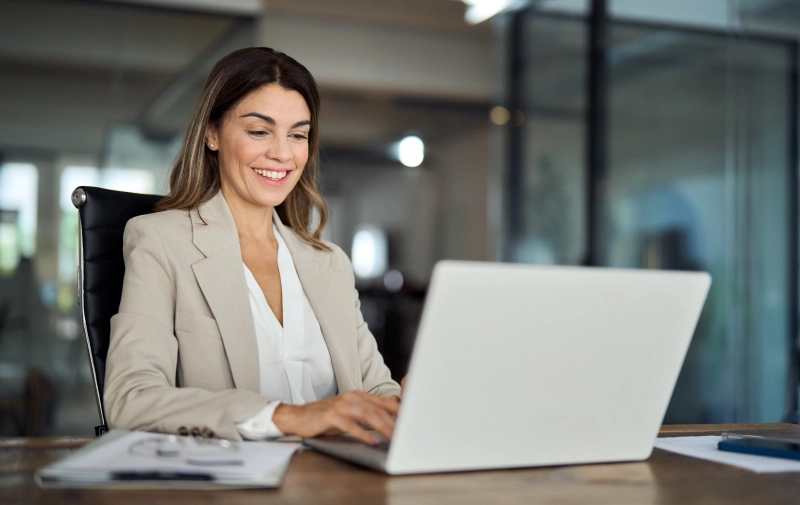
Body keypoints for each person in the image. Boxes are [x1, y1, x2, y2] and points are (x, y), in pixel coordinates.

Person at [103, 47, 401, 444]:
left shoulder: (330, 264)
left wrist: (407, 404)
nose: (282, 153)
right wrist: (288, 417)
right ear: (212, 134)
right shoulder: (161, 241)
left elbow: (376, 392)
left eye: (298, 134)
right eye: (259, 131)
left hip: (336, 482)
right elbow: (131, 399)